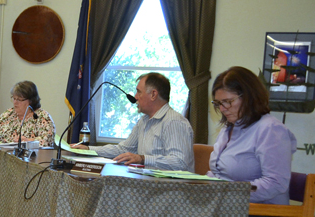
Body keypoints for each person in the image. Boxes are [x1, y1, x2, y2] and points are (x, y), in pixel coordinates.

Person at [206, 66, 297, 205]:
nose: (223, 109)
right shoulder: (229, 128)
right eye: (218, 103)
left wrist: (226, 193)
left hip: (260, 210)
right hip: (228, 206)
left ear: (249, 97)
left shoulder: (271, 129)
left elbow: (275, 183)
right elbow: (219, 174)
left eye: (228, 102)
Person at [71, 73, 194, 172]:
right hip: (149, 188)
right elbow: (123, 149)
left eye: (139, 91)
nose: (135, 97)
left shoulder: (174, 122)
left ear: (153, 94)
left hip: (171, 193)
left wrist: (142, 159)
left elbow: (180, 163)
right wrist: (87, 149)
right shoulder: (144, 121)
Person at [0, 81, 55, 147]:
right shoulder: (8, 114)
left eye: (19, 99)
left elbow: (48, 141)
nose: (15, 102)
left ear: (31, 101)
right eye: (14, 98)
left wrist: (28, 140)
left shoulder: (42, 117)